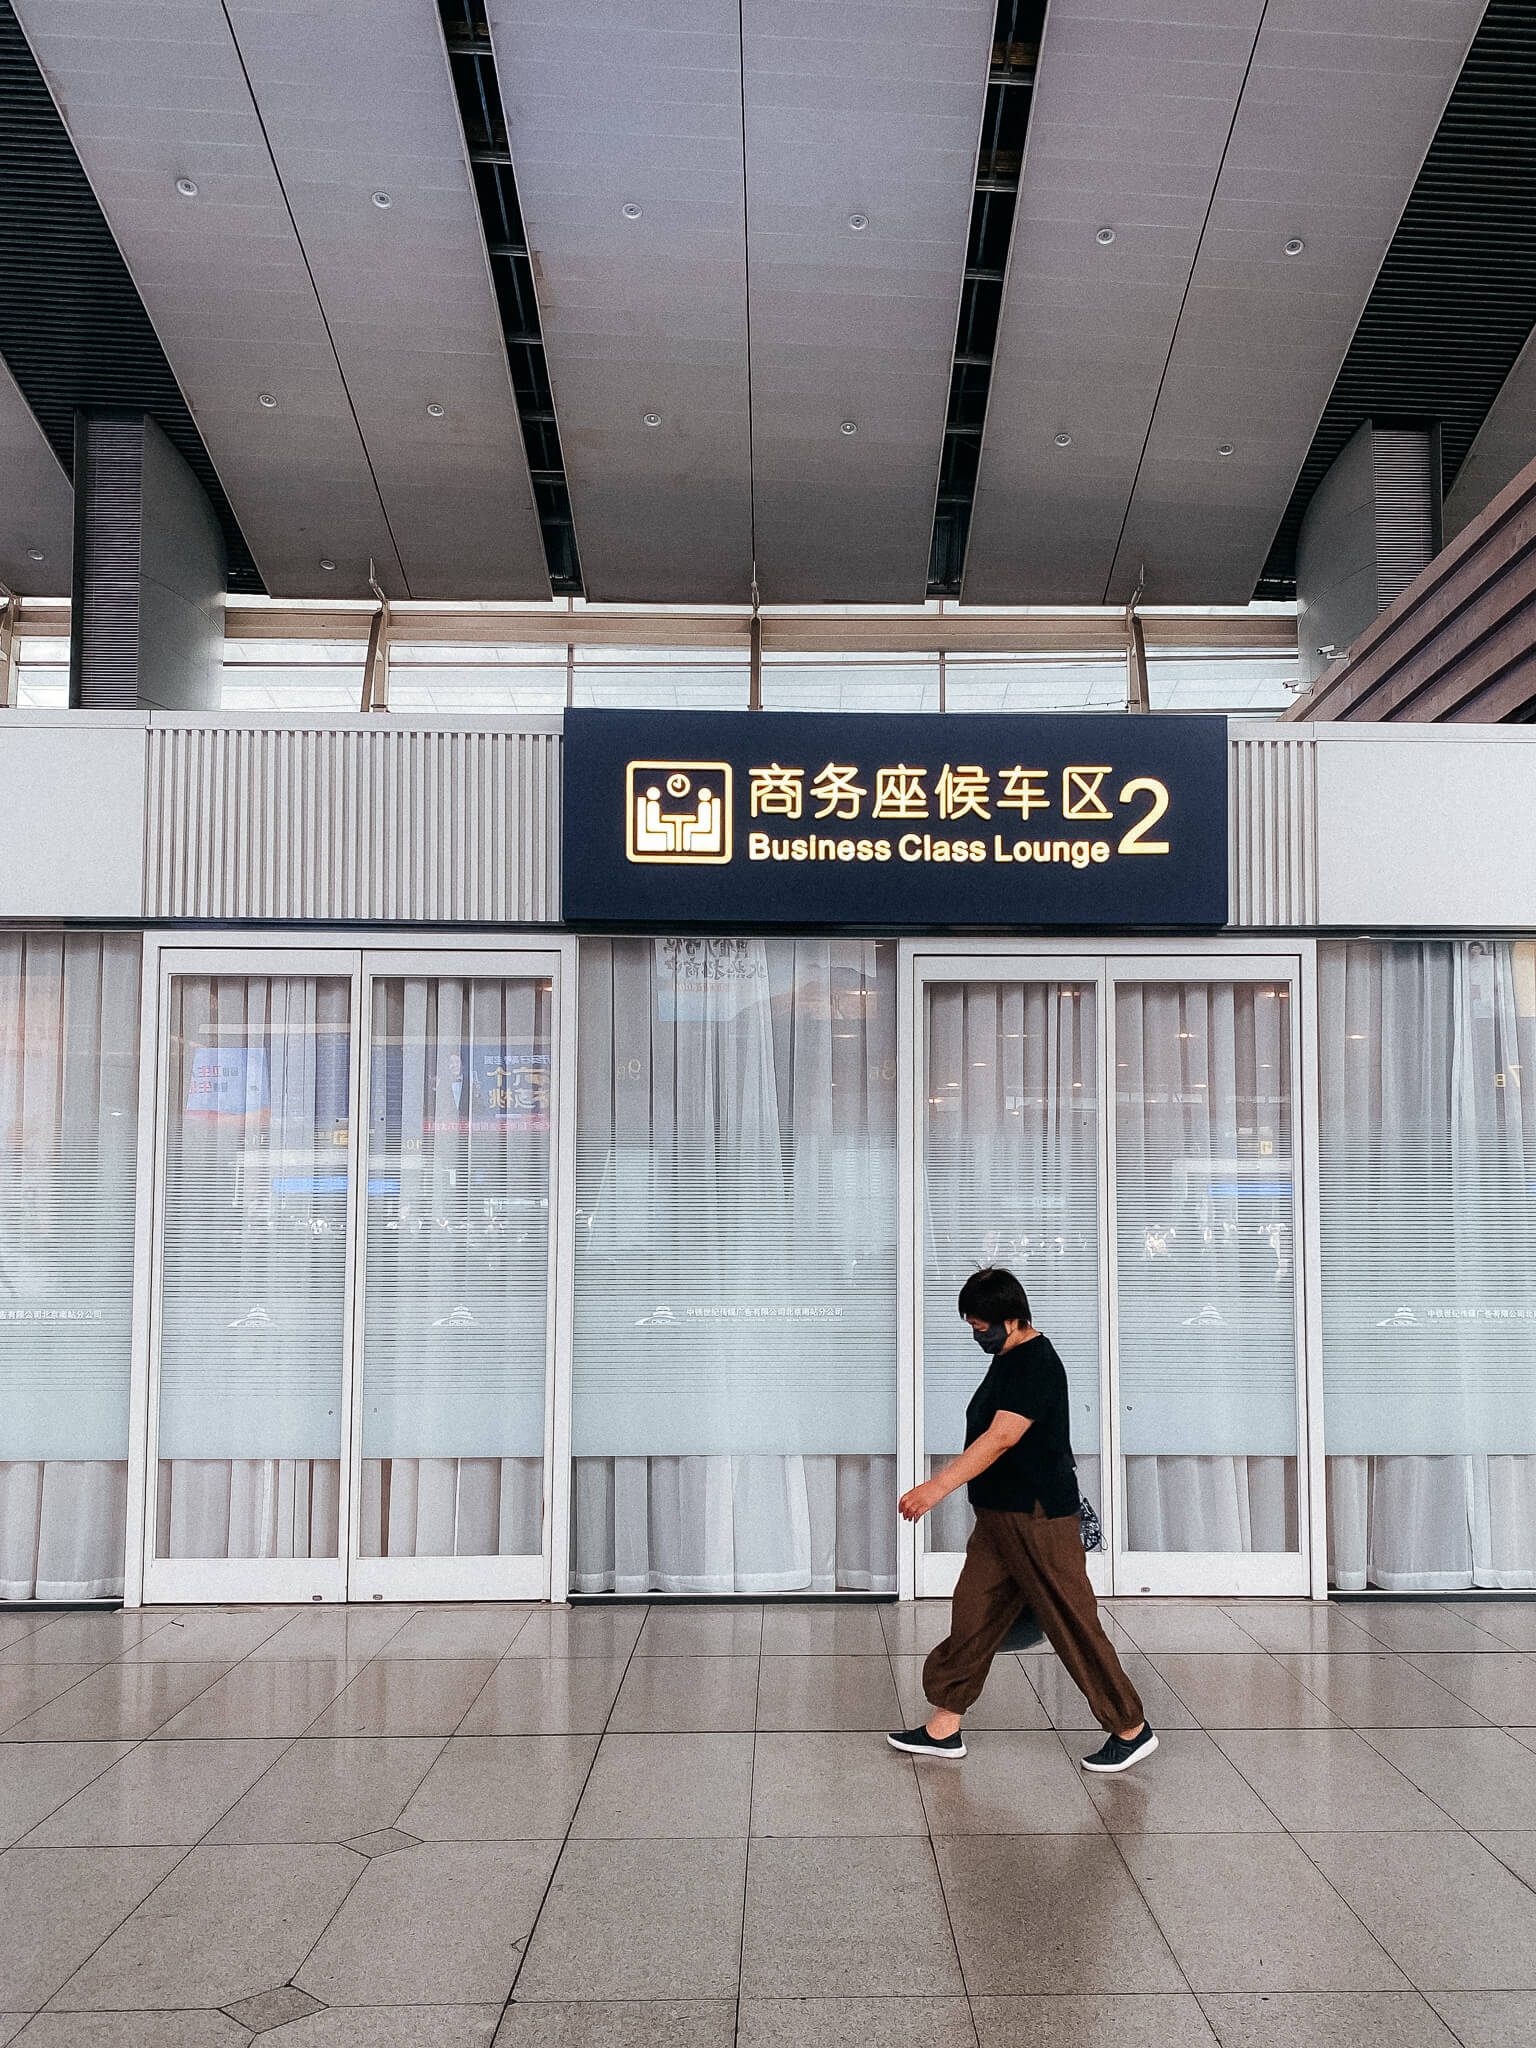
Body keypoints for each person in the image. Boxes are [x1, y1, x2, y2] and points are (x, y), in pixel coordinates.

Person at [887, 1265, 1156, 1773]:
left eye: (981, 1326)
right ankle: (945, 1725)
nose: (977, 1335)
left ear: (1011, 1318)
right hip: (998, 1516)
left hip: (1037, 1515)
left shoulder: (1035, 1361)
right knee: (974, 1612)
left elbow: (1002, 1436)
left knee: (1069, 1619)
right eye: (971, 1327)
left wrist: (935, 1487)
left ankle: (1130, 1727)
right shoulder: (1010, 1358)